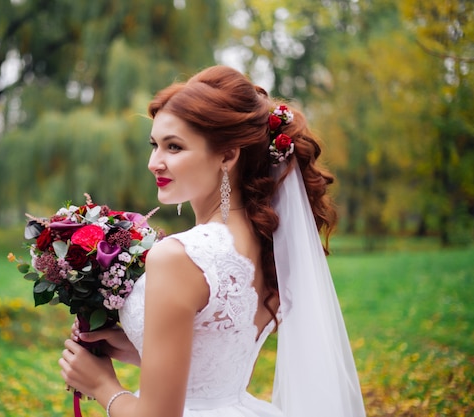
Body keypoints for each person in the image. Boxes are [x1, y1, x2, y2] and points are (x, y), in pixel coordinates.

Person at [58, 65, 366, 417]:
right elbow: (218, 354)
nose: (153, 163)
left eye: (174, 147)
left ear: (227, 155)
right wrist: (140, 347)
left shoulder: (178, 257)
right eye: (154, 145)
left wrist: (101, 386)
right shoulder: (266, 245)